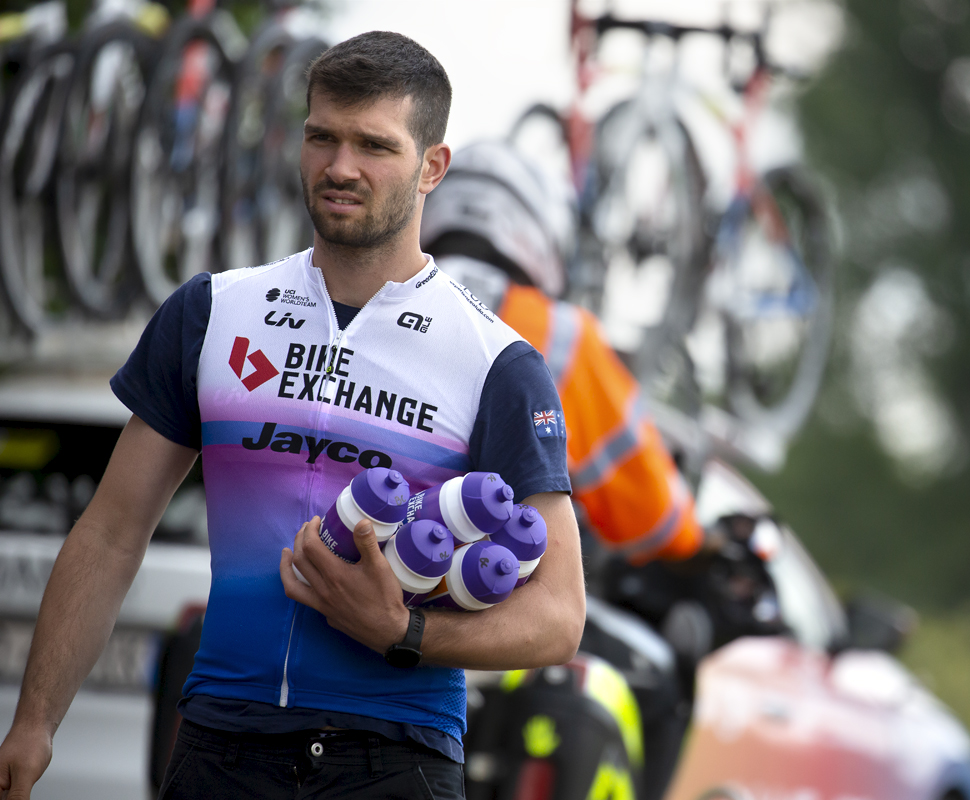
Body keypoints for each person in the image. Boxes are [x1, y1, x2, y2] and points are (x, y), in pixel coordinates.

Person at [0, 31, 586, 800]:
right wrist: (34, 724)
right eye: (322, 138)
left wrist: (405, 633)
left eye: (374, 145)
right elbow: (111, 532)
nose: (341, 167)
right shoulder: (212, 312)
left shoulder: (497, 361)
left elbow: (558, 617)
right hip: (221, 746)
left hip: (395, 757)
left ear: (431, 167)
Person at [420, 140, 704, 564]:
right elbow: (655, 522)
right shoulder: (563, 336)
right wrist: (696, 542)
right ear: (536, 231)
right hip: (472, 599)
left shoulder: (370, 295)